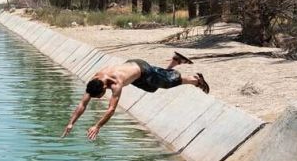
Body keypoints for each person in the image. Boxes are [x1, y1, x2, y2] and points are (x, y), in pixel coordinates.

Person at [61, 52, 210, 141]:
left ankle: (195, 80)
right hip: (132, 68)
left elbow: (111, 109)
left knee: (167, 83)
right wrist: (71, 123)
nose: (99, 98)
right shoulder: (95, 81)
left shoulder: (116, 84)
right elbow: (82, 104)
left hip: (142, 69)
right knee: (153, 88)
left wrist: (97, 126)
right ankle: (176, 61)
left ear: (104, 88)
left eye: (100, 96)